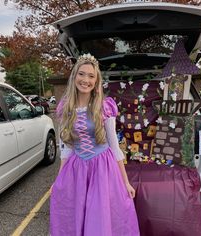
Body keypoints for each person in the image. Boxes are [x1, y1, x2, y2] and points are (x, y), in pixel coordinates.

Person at [50, 53, 140, 236]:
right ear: (74, 76)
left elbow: (115, 147)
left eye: (91, 76)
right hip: (77, 170)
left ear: (96, 80)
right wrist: (58, 180)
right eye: (82, 74)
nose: (86, 80)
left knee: (99, 219)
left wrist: (125, 182)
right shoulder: (65, 108)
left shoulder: (104, 107)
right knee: (76, 216)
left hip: (102, 168)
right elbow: (66, 149)